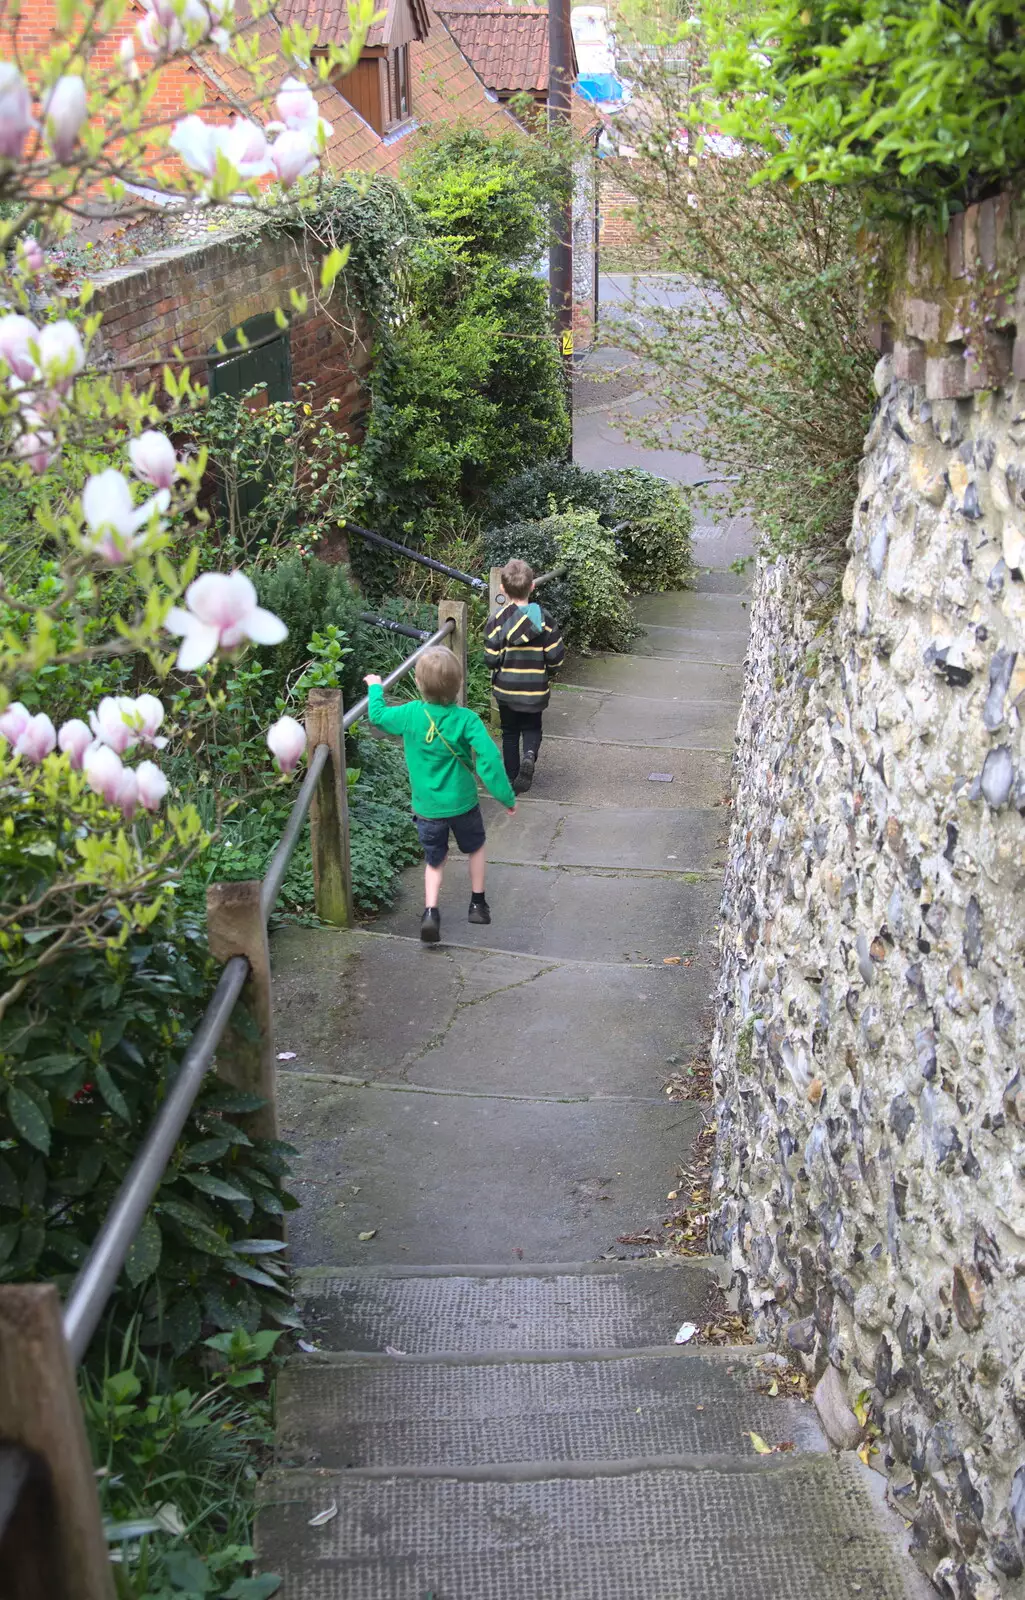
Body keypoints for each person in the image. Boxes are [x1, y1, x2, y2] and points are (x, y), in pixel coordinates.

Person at [364, 647, 516, 945]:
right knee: (476, 848)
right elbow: (489, 759)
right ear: (459, 684)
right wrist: (505, 797)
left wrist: (375, 687)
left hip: (428, 808)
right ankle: (477, 904)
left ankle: (431, 912)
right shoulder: (467, 720)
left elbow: (378, 716)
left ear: (419, 684)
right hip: (463, 804)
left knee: (435, 859)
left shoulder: (410, 714)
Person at [484, 557, 565, 793]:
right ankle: (529, 755)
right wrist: (548, 672)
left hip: (506, 688)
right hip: (535, 688)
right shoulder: (545, 619)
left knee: (509, 732)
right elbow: (555, 657)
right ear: (532, 586)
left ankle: (511, 778)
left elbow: (490, 658)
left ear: (502, 589)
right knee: (532, 727)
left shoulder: (497, 620)